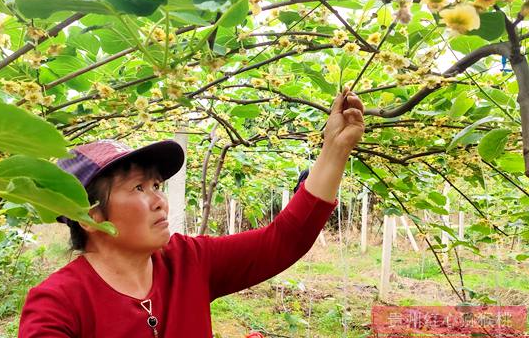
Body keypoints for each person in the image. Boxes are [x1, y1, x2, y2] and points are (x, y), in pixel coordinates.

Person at [18, 88, 364, 337]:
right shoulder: (58, 304)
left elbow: (282, 240)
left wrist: (334, 150)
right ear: (89, 217)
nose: (159, 201)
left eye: (157, 186)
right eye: (139, 188)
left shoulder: (187, 260)